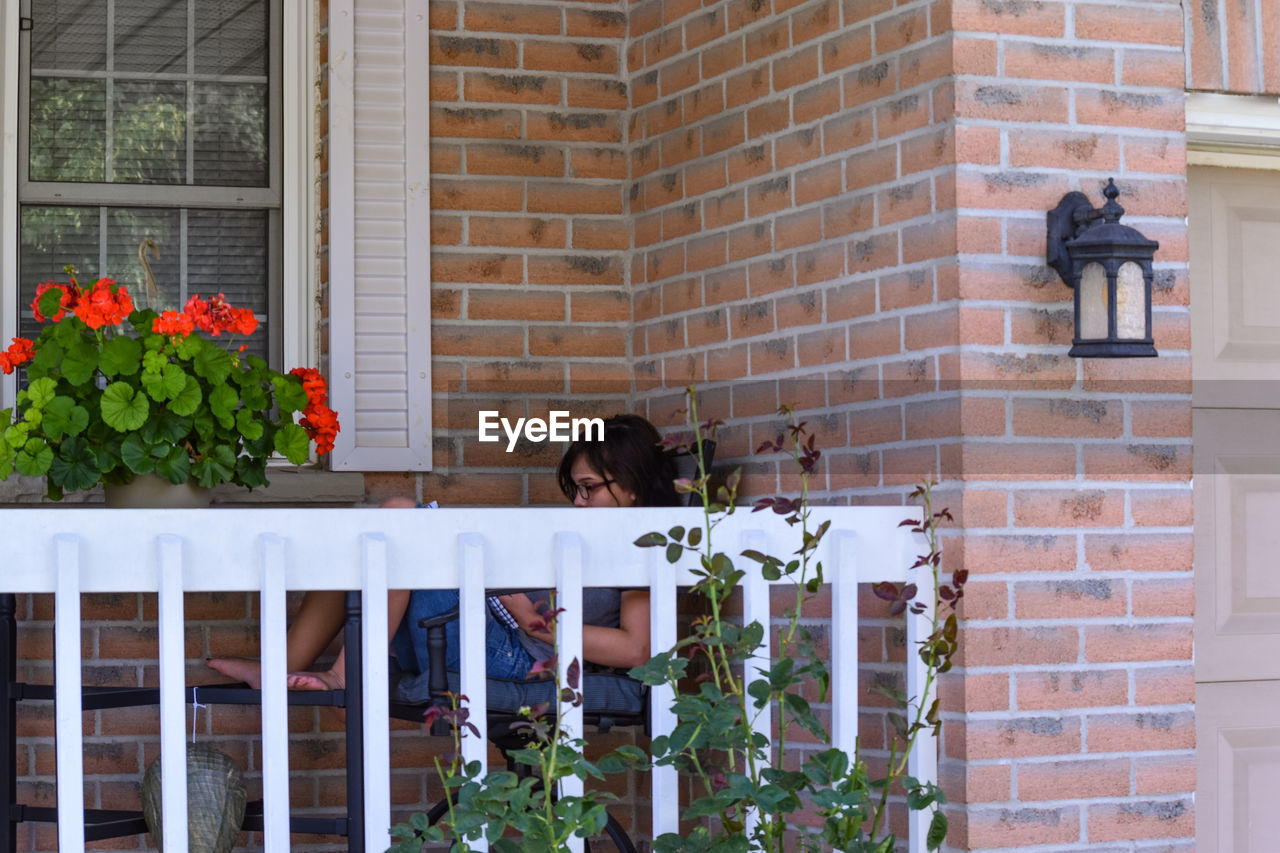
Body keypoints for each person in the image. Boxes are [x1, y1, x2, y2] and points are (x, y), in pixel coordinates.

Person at [207, 414, 679, 702]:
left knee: (398, 521)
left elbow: (638, 649)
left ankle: (340, 675)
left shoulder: (643, 548)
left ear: (633, 485)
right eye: (574, 490)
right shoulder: (591, 534)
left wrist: (539, 623)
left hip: (515, 652)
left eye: (590, 489)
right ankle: (281, 666)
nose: (578, 503)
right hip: (479, 624)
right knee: (370, 540)